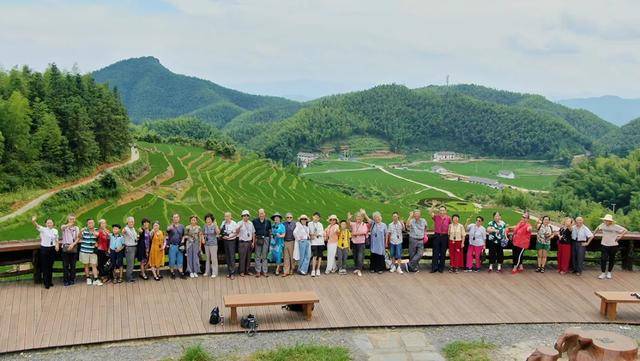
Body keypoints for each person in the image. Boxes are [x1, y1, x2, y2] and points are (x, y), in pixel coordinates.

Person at [593, 214, 628, 280]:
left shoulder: (615, 226)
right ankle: (603, 273)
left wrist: (620, 237)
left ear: (611, 221)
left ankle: (609, 272)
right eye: (605, 220)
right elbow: (596, 229)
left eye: (607, 221)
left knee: (612, 259)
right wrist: (593, 235)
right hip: (604, 244)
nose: (606, 222)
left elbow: (625, 230)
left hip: (613, 245)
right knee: (603, 259)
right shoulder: (602, 225)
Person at [32, 216, 58, 289]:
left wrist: (57, 246)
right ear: (46, 224)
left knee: (50, 266)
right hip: (44, 249)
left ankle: (50, 281)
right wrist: (33, 221)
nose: (49, 224)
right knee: (45, 266)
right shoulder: (43, 229)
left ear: (53, 223)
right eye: (48, 223)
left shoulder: (55, 230)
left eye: (51, 222)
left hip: (52, 249)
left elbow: (56, 239)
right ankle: (46, 283)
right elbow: (36, 225)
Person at [79, 218, 102, 286]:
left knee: (94, 265)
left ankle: (95, 279)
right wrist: (80, 231)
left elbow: (100, 237)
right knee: (86, 265)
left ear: (94, 223)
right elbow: (79, 237)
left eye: (92, 223)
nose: (90, 224)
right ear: (87, 224)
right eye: (89, 223)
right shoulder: (84, 230)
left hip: (93, 251)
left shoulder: (97, 230)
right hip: (84, 250)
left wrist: (96, 237)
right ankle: (88, 278)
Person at [348, 210, 370, 277]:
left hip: (361, 243)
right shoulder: (354, 224)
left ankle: (359, 269)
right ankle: (357, 268)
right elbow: (348, 224)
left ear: (362, 218)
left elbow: (364, 232)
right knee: (355, 256)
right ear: (356, 218)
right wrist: (348, 218)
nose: (358, 219)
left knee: (360, 256)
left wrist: (354, 233)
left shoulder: (364, 224)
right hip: (354, 242)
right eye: (357, 218)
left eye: (360, 218)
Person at [60, 214, 80, 286]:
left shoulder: (76, 228)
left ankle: (72, 279)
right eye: (70, 219)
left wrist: (73, 244)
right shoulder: (64, 227)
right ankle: (65, 280)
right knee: (65, 265)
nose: (72, 220)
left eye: (73, 219)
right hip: (65, 247)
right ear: (68, 219)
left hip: (73, 246)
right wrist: (68, 224)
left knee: (73, 265)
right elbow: (62, 228)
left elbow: (78, 237)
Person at [430, 205, 451, 273]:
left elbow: (451, 227)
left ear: (446, 211)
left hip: (445, 236)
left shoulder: (449, 218)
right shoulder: (436, 217)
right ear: (439, 211)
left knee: (443, 252)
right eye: (440, 210)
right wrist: (433, 206)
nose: (442, 212)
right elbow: (430, 212)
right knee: (435, 252)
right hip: (437, 235)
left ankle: (441, 268)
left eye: (443, 210)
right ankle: (434, 268)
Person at [236, 210, 255, 277]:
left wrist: (253, 242)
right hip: (242, 242)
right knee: (242, 257)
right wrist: (239, 227)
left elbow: (253, 233)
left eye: (247, 215)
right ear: (242, 216)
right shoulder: (239, 223)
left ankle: (247, 270)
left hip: (249, 242)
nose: (246, 217)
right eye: (244, 216)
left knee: (248, 257)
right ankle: (241, 271)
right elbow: (236, 232)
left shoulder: (251, 223)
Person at [252, 209, 271, 278]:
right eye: (260, 213)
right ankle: (258, 271)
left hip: (265, 239)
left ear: (264, 214)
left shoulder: (268, 222)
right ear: (258, 214)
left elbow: (269, 231)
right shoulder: (254, 221)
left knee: (264, 256)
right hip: (258, 239)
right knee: (257, 256)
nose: (261, 215)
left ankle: (265, 271)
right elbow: (253, 232)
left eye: (262, 213)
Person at [167, 213, 186, 279]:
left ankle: (181, 272)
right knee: (172, 260)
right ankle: (172, 272)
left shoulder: (182, 226)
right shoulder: (170, 226)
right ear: (172, 218)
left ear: (179, 218)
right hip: (172, 246)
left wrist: (183, 239)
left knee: (180, 260)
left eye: (177, 217)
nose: (176, 218)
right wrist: (170, 227)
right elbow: (168, 230)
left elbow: (184, 234)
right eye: (174, 217)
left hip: (180, 246)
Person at [220, 212, 237, 279]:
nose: (226, 218)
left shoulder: (234, 223)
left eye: (227, 216)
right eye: (225, 216)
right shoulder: (223, 223)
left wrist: (229, 237)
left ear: (230, 217)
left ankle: (232, 273)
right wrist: (223, 236)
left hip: (231, 241)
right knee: (227, 257)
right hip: (225, 241)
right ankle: (229, 272)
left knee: (232, 257)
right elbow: (221, 231)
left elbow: (235, 233)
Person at [203, 213, 220, 278]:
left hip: (213, 244)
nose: (208, 220)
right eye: (207, 219)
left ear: (212, 220)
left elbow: (218, 232)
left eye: (209, 219)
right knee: (207, 258)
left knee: (214, 258)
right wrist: (203, 239)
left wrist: (216, 225)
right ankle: (207, 272)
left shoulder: (214, 225)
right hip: (206, 244)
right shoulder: (205, 226)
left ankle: (214, 272)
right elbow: (203, 233)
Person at [309, 212, 325, 277]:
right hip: (313, 242)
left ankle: (318, 269)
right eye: (315, 217)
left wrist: (315, 234)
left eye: (317, 217)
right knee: (314, 256)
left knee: (320, 256)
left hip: (320, 242)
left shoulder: (320, 224)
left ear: (319, 218)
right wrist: (311, 235)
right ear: (313, 216)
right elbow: (308, 231)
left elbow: (322, 232)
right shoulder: (309, 224)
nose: (316, 218)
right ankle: (313, 270)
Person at [123, 217, 138, 283]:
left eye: (132, 221)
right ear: (127, 222)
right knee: (130, 264)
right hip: (129, 248)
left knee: (132, 263)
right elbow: (123, 232)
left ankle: (130, 275)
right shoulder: (126, 228)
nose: (132, 223)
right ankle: (128, 278)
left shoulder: (132, 228)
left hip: (134, 247)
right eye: (130, 221)